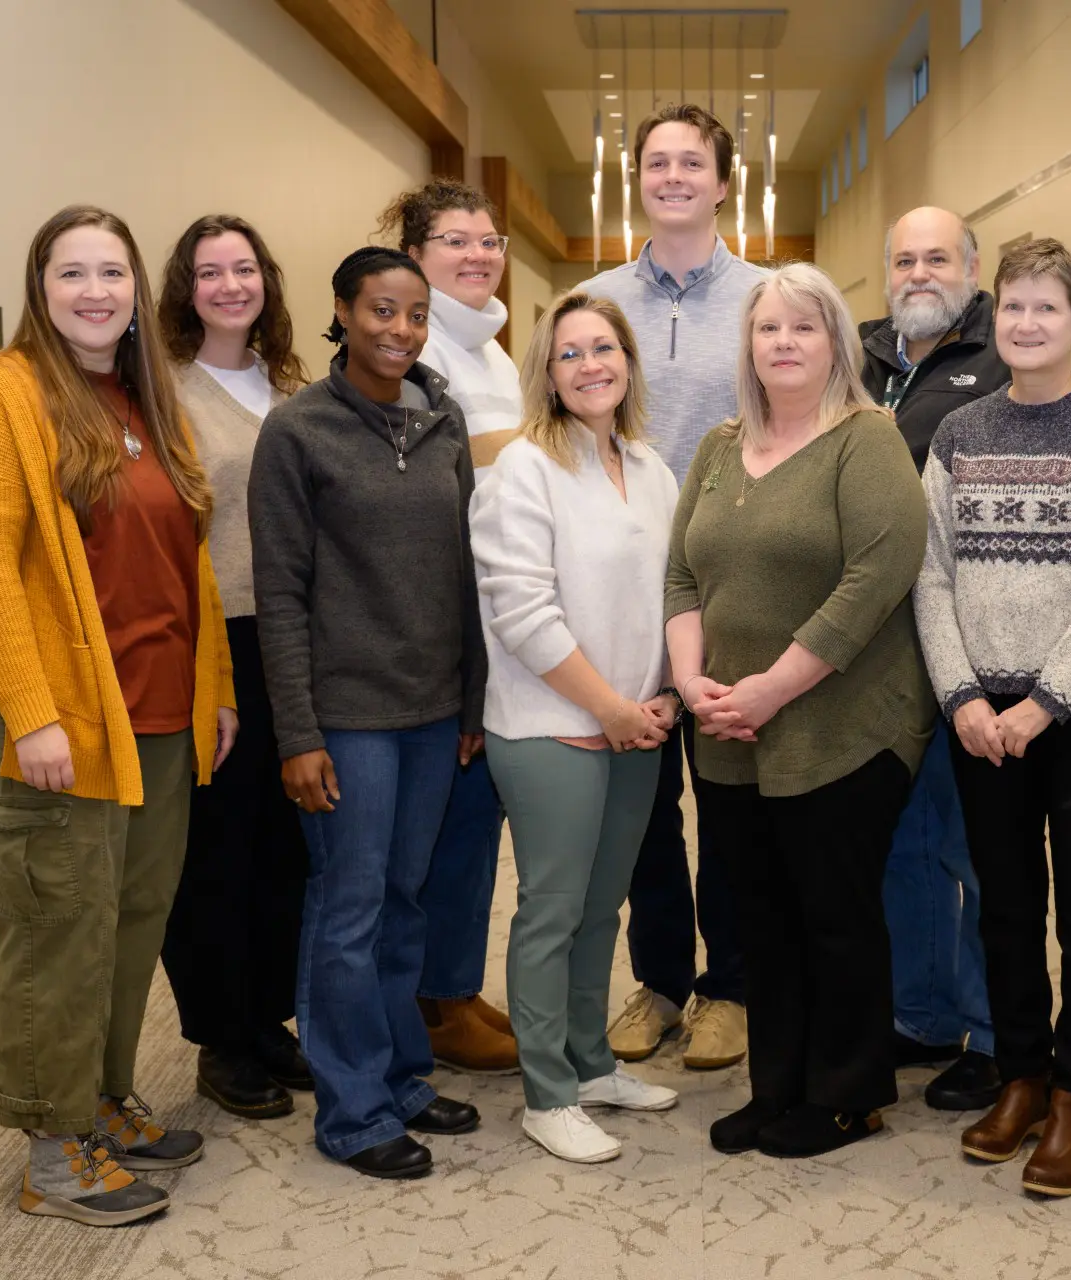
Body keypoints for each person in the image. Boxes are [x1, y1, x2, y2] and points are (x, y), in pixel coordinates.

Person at [0, 204, 237, 1225]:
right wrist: (31, 715)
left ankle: (103, 1100)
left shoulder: (145, 398)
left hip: (153, 713)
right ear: (40, 285)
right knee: (57, 929)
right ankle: (53, 1147)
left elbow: (186, 558)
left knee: (130, 922)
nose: (96, 290)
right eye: (74, 272)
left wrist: (217, 688)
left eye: (112, 271)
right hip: (55, 723)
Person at [914, 238, 1071, 1197]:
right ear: (996, 315)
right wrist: (963, 696)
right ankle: (1022, 1075)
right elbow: (929, 576)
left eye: (1046, 310)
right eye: (1012, 307)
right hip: (982, 711)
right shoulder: (960, 432)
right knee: (1007, 905)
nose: (1026, 324)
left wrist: (1046, 704)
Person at [670, 262, 931, 1159]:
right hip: (728, 729)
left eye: (804, 328)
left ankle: (847, 1094)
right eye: (768, 328)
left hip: (842, 725)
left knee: (836, 912)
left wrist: (771, 688)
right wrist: (693, 684)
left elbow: (875, 579)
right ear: (747, 344)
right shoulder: (715, 446)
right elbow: (680, 574)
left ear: (836, 344)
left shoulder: (868, 438)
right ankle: (777, 1086)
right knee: (760, 915)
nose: (783, 343)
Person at [249, 246, 483, 1180]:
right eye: (381, 310)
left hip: (433, 712)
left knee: (403, 899)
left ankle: (401, 1076)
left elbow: (467, 572)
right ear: (342, 312)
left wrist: (470, 697)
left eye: (417, 314)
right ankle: (352, 1111)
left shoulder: (443, 421)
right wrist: (298, 735)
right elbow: (282, 593)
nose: (400, 330)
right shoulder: (297, 432)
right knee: (347, 907)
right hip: (346, 713)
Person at [471, 292, 684, 1162]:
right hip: (552, 722)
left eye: (605, 348)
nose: (591, 365)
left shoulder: (652, 465)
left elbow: (673, 592)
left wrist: (665, 693)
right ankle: (546, 1091)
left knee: (603, 909)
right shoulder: (524, 467)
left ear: (628, 361)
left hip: (638, 721)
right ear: (547, 374)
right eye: (570, 354)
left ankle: (591, 1063)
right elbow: (521, 609)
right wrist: (607, 706)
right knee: (552, 911)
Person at [584, 102, 764, 1072]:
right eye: (657, 162)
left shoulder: (771, 296)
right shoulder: (599, 299)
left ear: (724, 181)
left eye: (693, 162)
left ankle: (730, 984)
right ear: (639, 179)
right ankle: (657, 978)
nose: (675, 176)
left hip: (737, 585)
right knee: (641, 803)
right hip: (628, 589)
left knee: (730, 797)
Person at [153, 213, 314, 1121]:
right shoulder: (165, 390)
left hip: (296, 639)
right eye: (209, 272)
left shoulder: (292, 385)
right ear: (187, 288)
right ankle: (222, 1035)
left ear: (265, 282)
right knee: (214, 846)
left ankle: (266, 1017)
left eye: (243, 269)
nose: (228, 286)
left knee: (285, 843)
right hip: (215, 640)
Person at [858, 205, 1007, 1113]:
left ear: (972, 266)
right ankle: (919, 1014)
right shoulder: (863, 361)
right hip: (877, 654)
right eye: (904, 258)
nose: (920, 273)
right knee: (900, 842)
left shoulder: (1001, 363)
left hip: (972, 649)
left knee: (975, 846)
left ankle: (992, 1033)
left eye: (937, 257)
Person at [381, 179, 523, 1073]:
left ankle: (455, 983)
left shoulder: (495, 354)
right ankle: (433, 1002)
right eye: (455, 242)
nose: (478, 255)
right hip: (441, 618)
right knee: (448, 822)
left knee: (478, 818)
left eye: (489, 240)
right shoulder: (412, 348)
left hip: (498, 611)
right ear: (416, 255)